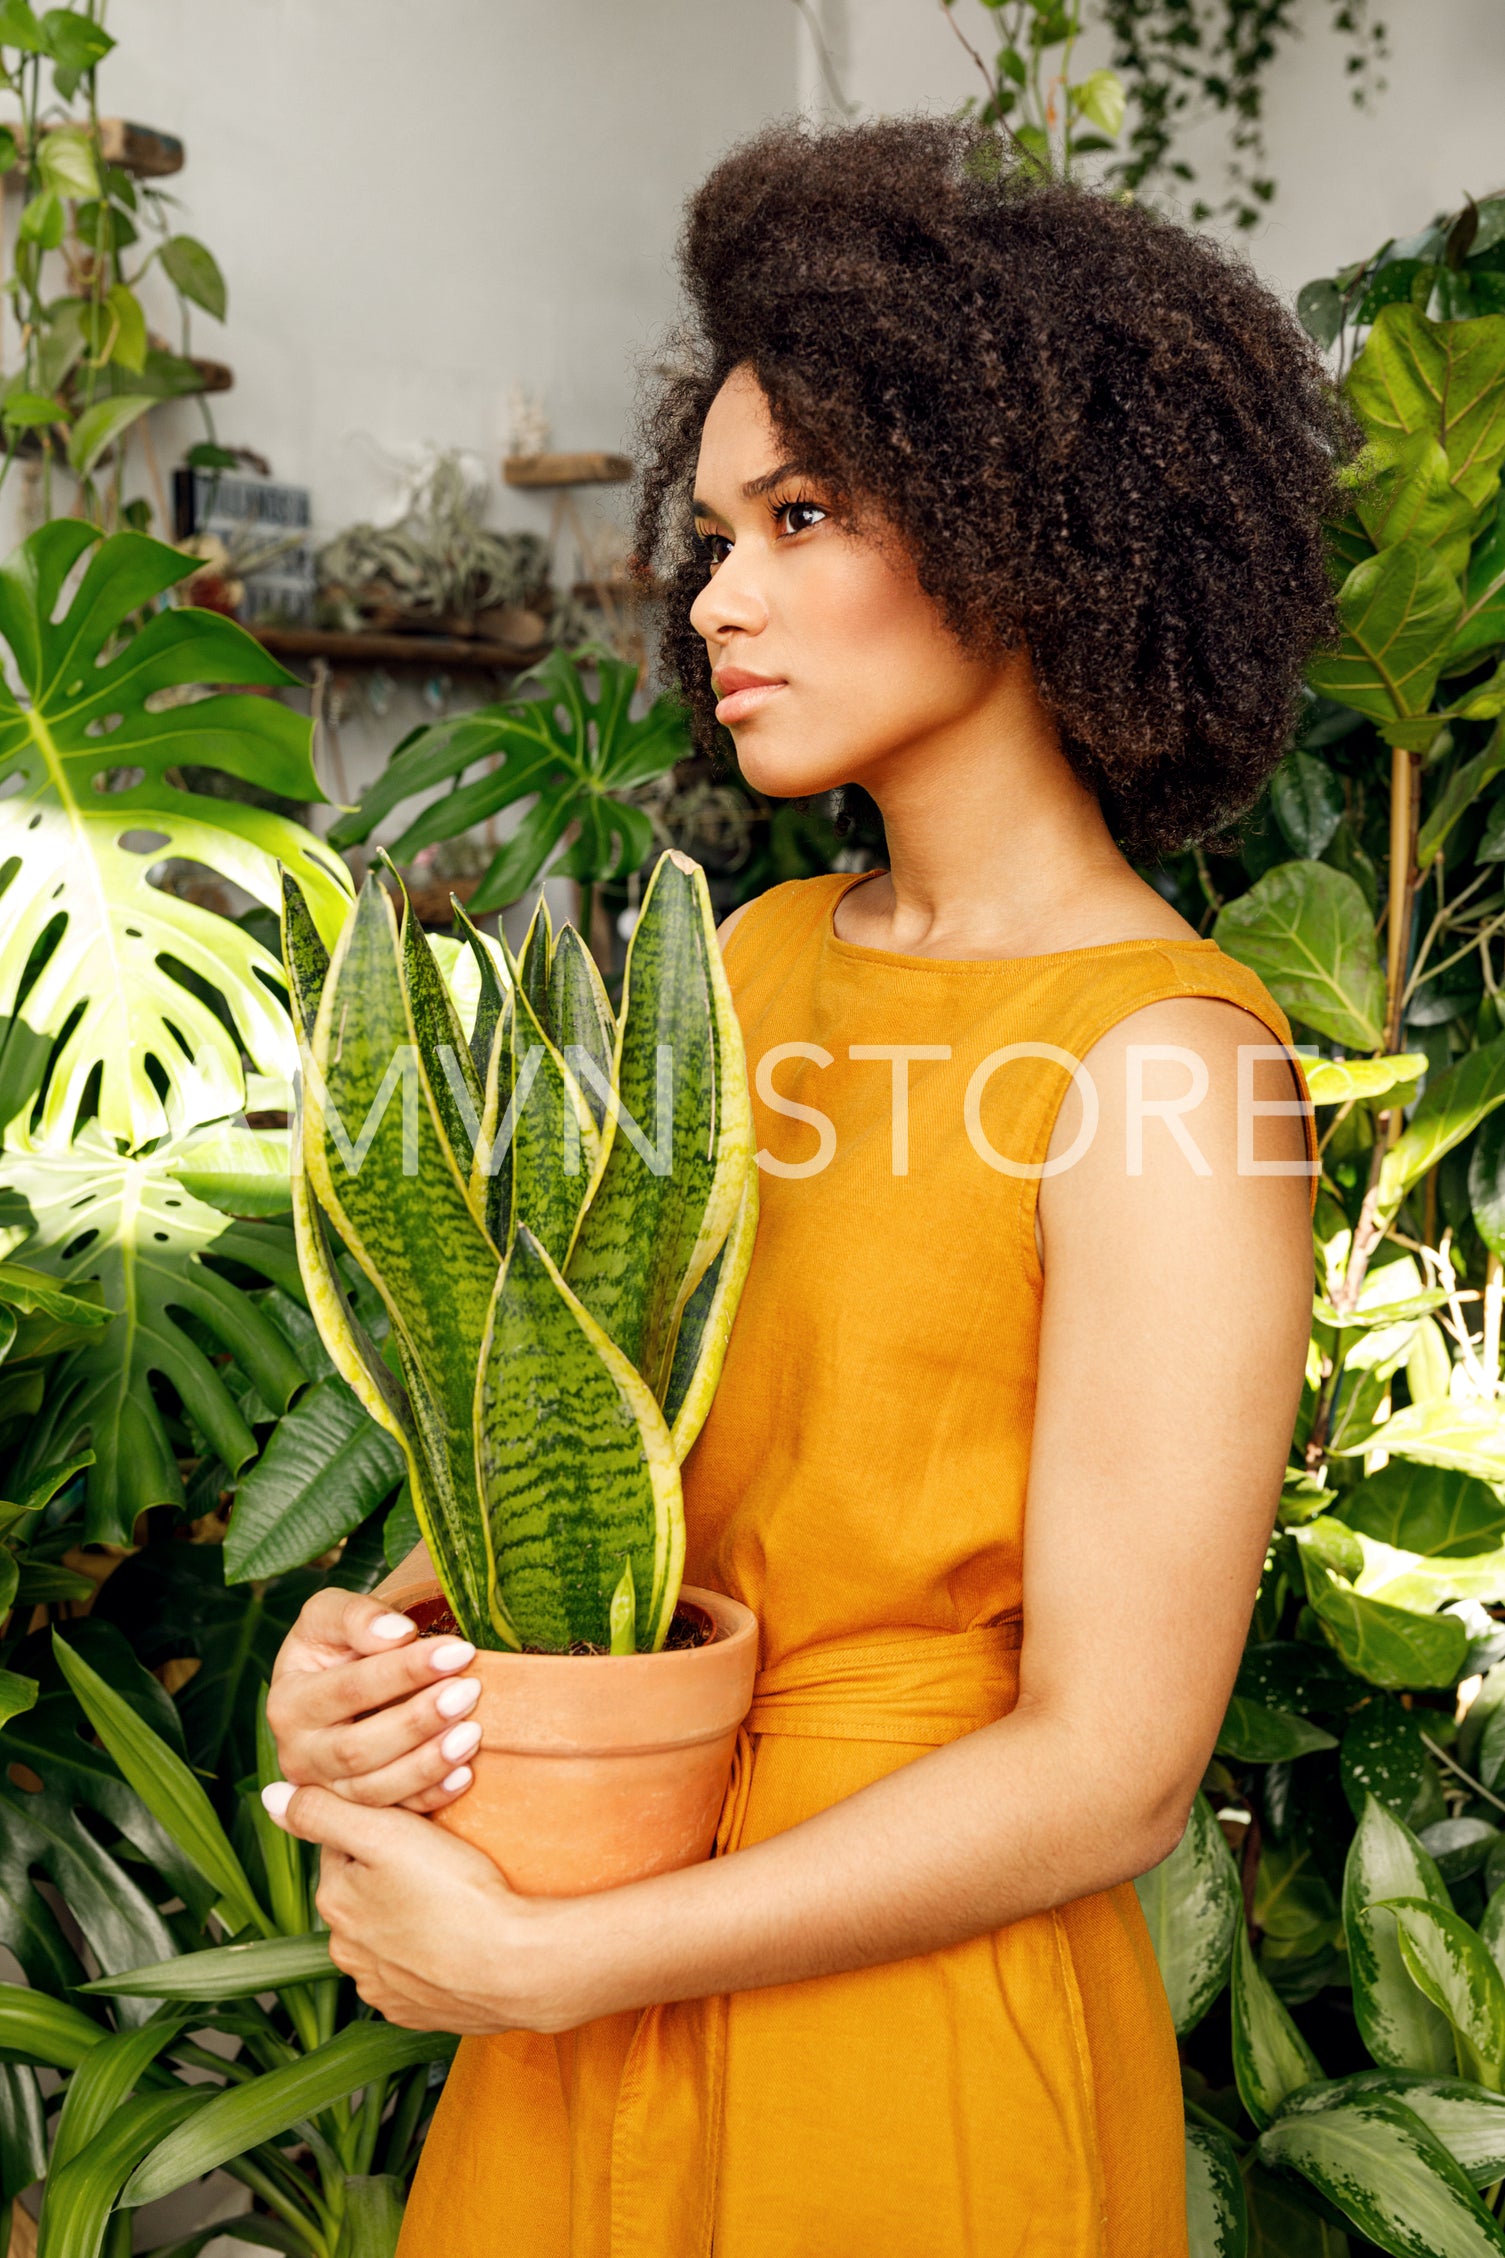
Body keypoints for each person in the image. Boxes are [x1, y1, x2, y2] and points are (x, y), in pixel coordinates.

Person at [261, 117, 1332, 2257]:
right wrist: (372, 1673)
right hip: (593, 1968)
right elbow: (593, 1488)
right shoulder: (743, 968)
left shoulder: (1174, 1068)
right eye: (717, 527)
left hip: (894, 2029)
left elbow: (1112, 1766)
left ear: (1021, 533)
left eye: (803, 517)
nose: (717, 592)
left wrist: (576, 1959)